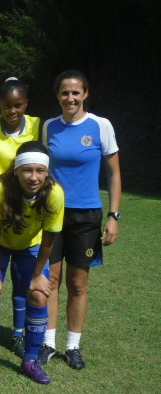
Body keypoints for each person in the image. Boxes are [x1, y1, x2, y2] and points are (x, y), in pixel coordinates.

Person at [40, 70, 121, 370]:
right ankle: (48, 342)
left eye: (76, 92)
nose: (70, 98)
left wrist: (113, 216)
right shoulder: (49, 127)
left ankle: (72, 346)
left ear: (85, 93)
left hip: (87, 215)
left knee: (78, 283)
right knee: (51, 280)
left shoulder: (101, 126)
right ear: (58, 95)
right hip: (53, 214)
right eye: (64, 92)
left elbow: (113, 173)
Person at [0, 141, 64, 384]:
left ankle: (31, 359)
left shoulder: (55, 194)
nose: (33, 177)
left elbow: (49, 239)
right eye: (27, 170)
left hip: (31, 246)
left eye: (40, 171)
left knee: (38, 294)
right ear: (16, 169)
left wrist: (38, 275)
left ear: (47, 173)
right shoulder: (0, 190)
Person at [0, 76, 41, 357]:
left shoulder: (38, 126)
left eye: (18, 105)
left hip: (29, 215)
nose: (12, 111)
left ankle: (17, 333)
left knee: (23, 282)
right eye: (6, 105)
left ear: (26, 103)